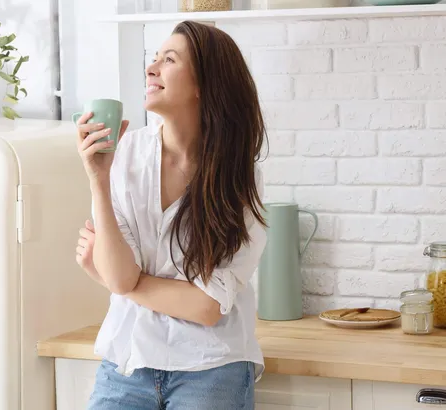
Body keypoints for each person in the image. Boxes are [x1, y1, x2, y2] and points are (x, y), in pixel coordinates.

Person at [73, 20, 268, 410]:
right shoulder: (124, 156)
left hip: (212, 367)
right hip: (126, 363)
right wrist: (98, 179)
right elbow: (120, 274)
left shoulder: (239, 178)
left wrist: (122, 283)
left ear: (202, 86)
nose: (151, 68)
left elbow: (206, 308)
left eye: (169, 59)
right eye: (154, 58)